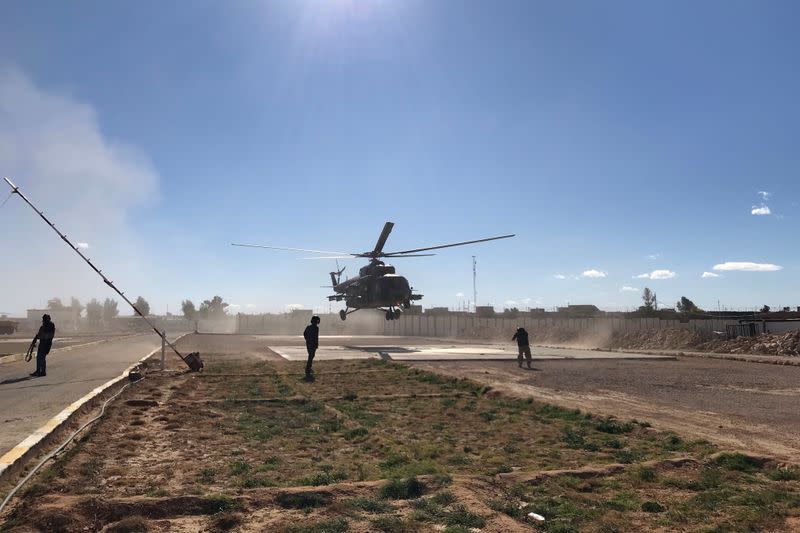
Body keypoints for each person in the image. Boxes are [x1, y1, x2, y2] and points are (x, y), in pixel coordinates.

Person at [303, 315, 320, 380]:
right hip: (312, 344)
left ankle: (309, 368)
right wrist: (316, 344)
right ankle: (308, 369)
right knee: (311, 356)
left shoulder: (308, 327)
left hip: (309, 344)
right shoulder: (316, 328)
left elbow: (304, 334)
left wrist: (307, 339)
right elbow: (316, 337)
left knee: (311, 356)